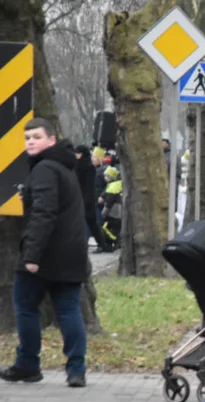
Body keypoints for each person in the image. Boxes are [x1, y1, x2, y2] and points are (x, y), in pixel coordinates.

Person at [1, 120, 89, 387]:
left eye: (36, 137)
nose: (30, 141)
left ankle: (28, 364)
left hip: (46, 253)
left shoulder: (44, 170)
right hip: (73, 253)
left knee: (26, 307)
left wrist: (32, 256)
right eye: (27, 137)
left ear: (51, 141)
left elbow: (44, 214)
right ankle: (76, 369)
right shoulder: (65, 167)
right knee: (69, 311)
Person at [73, 145, 109, 253]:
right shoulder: (77, 165)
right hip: (80, 198)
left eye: (78, 153)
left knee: (90, 224)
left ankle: (100, 244)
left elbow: (89, 185)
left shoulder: (88, 167)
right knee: (87, 224)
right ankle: (99, 244)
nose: (76, 155)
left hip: (86, 200)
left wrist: (87, 200)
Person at [100, 166, 122, 253]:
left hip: (113, 212)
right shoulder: (117, 184)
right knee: (114, 229)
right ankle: (117, 242)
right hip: (118, 212)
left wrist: (104, 212)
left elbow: (109, 201)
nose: (105, 178)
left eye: (106, 176)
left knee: (106, 229)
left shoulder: (113, 186)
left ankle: (113, 243)